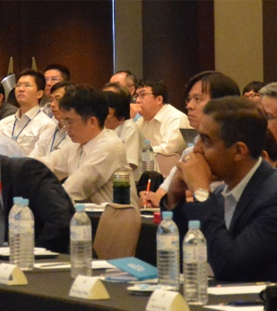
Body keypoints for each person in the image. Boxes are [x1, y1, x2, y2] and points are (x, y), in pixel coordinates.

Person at [166, 96, 277, 285]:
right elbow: (184, 257)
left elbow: (229, 266)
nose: (196, 149)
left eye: (206, 141)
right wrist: (175, 197)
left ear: (239, 151)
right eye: (198, 137)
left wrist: (200, 191)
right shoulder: (222, 193)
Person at [141, 71, 241, 209]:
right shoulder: (190, 151)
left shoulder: (233, 152)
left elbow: (219, 214)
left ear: (223, 104)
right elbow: (161, 197)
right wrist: (170, 196)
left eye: (198, 99)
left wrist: (197, 190)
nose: (189, 105)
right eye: (189, 99)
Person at [36, 85, 133, 205]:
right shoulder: (76, 145)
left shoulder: (109, 146)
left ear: (92, 121)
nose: (66, 128)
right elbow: (45, 165)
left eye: (69, 121)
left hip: (116, 220)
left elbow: (74, 188)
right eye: (64, 121)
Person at [0, 70, 58, 155]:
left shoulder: (46, 124)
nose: (21, 89)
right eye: (18, 85)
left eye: (27, 85)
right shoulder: (4, 123)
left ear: (39, 94)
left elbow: (42, 158)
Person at [135, 79, 189, 156]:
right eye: (136, 96)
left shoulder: (175, 118)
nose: (137, 100)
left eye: (142, 95)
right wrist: (128, 119)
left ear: (159, 99)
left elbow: (167, 150)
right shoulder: (141, 121)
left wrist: (137, 152)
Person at [28, 81, 75, 159]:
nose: (52, 105)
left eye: (58, 99)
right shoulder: (48, 133)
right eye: (51, 100)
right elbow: (33, 160)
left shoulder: (78, 133)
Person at [102, 83, 140, 174]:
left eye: (107, 115)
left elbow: (129, 165)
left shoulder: (130, 128)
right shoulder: (102, 131)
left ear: (121, 118)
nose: (101, 118)